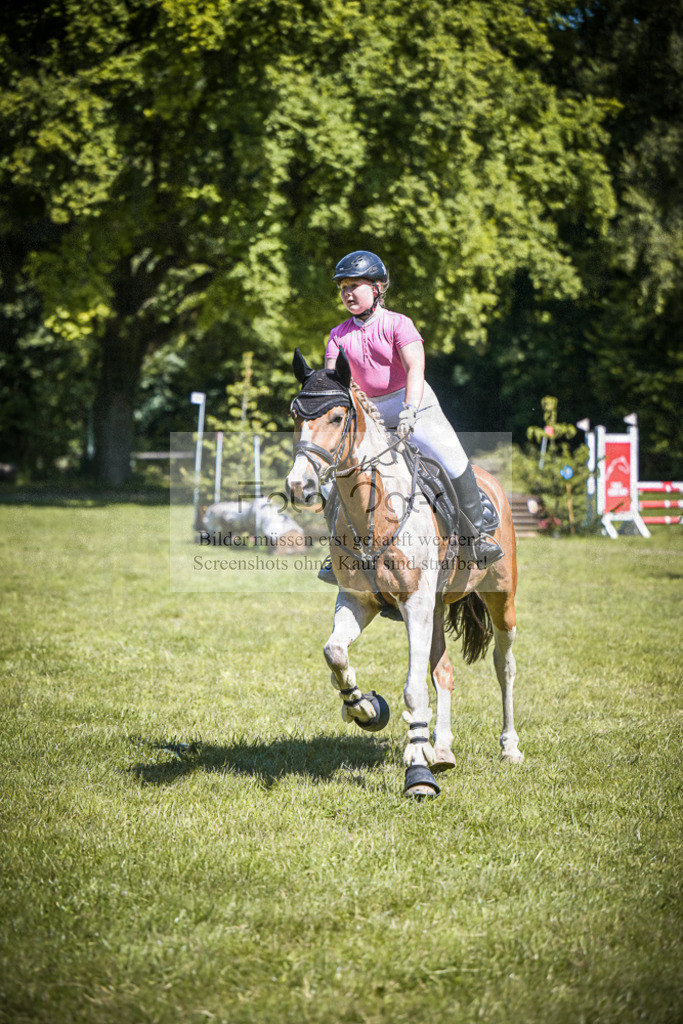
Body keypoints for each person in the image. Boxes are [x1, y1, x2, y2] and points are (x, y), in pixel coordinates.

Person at [321, 248, 503, 574]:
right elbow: (335, 382)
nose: (347, 293)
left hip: (413, 402)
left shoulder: (399, 324)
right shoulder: (337, 335)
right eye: (343, 287)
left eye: (354, 286)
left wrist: (409, 411)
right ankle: (338, 547)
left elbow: (415, 369)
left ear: (377, 288)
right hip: (368, 412)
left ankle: (477, 537)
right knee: (335, 469)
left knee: (451, 458)